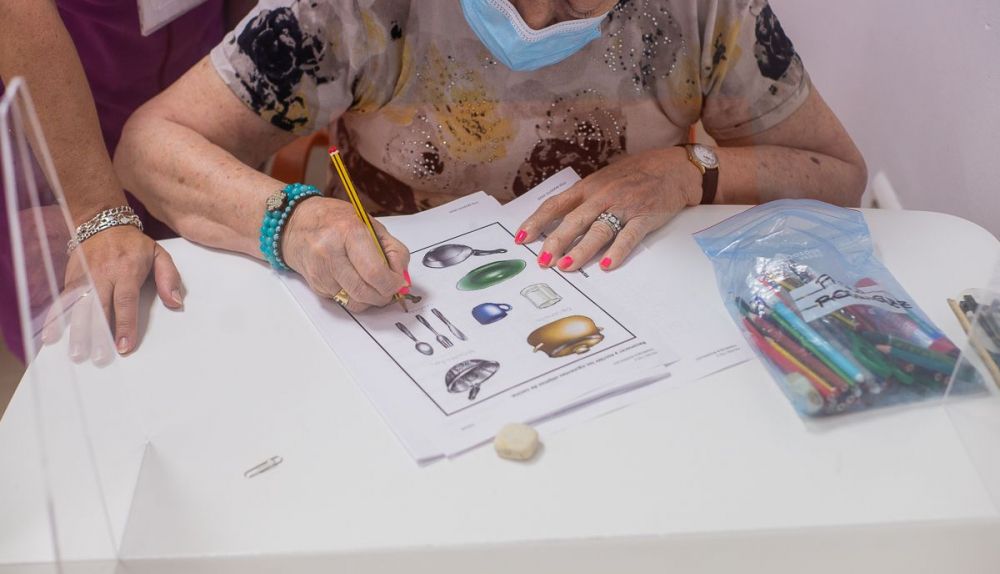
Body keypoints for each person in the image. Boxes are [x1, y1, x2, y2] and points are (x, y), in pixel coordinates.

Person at [115, 0, 867, 314]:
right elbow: (151, 144)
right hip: (402, 308)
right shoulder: (356, 10)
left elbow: (837, 174)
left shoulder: (704, 10)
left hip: (634, 313)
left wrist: (691, 171)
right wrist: (294, 222)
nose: (538, 20)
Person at [0, 0, 250, 360]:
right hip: (58, 121)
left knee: (205, 324)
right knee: (92, 344)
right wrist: (93, 212)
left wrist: (241, 114)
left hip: (197, 85)